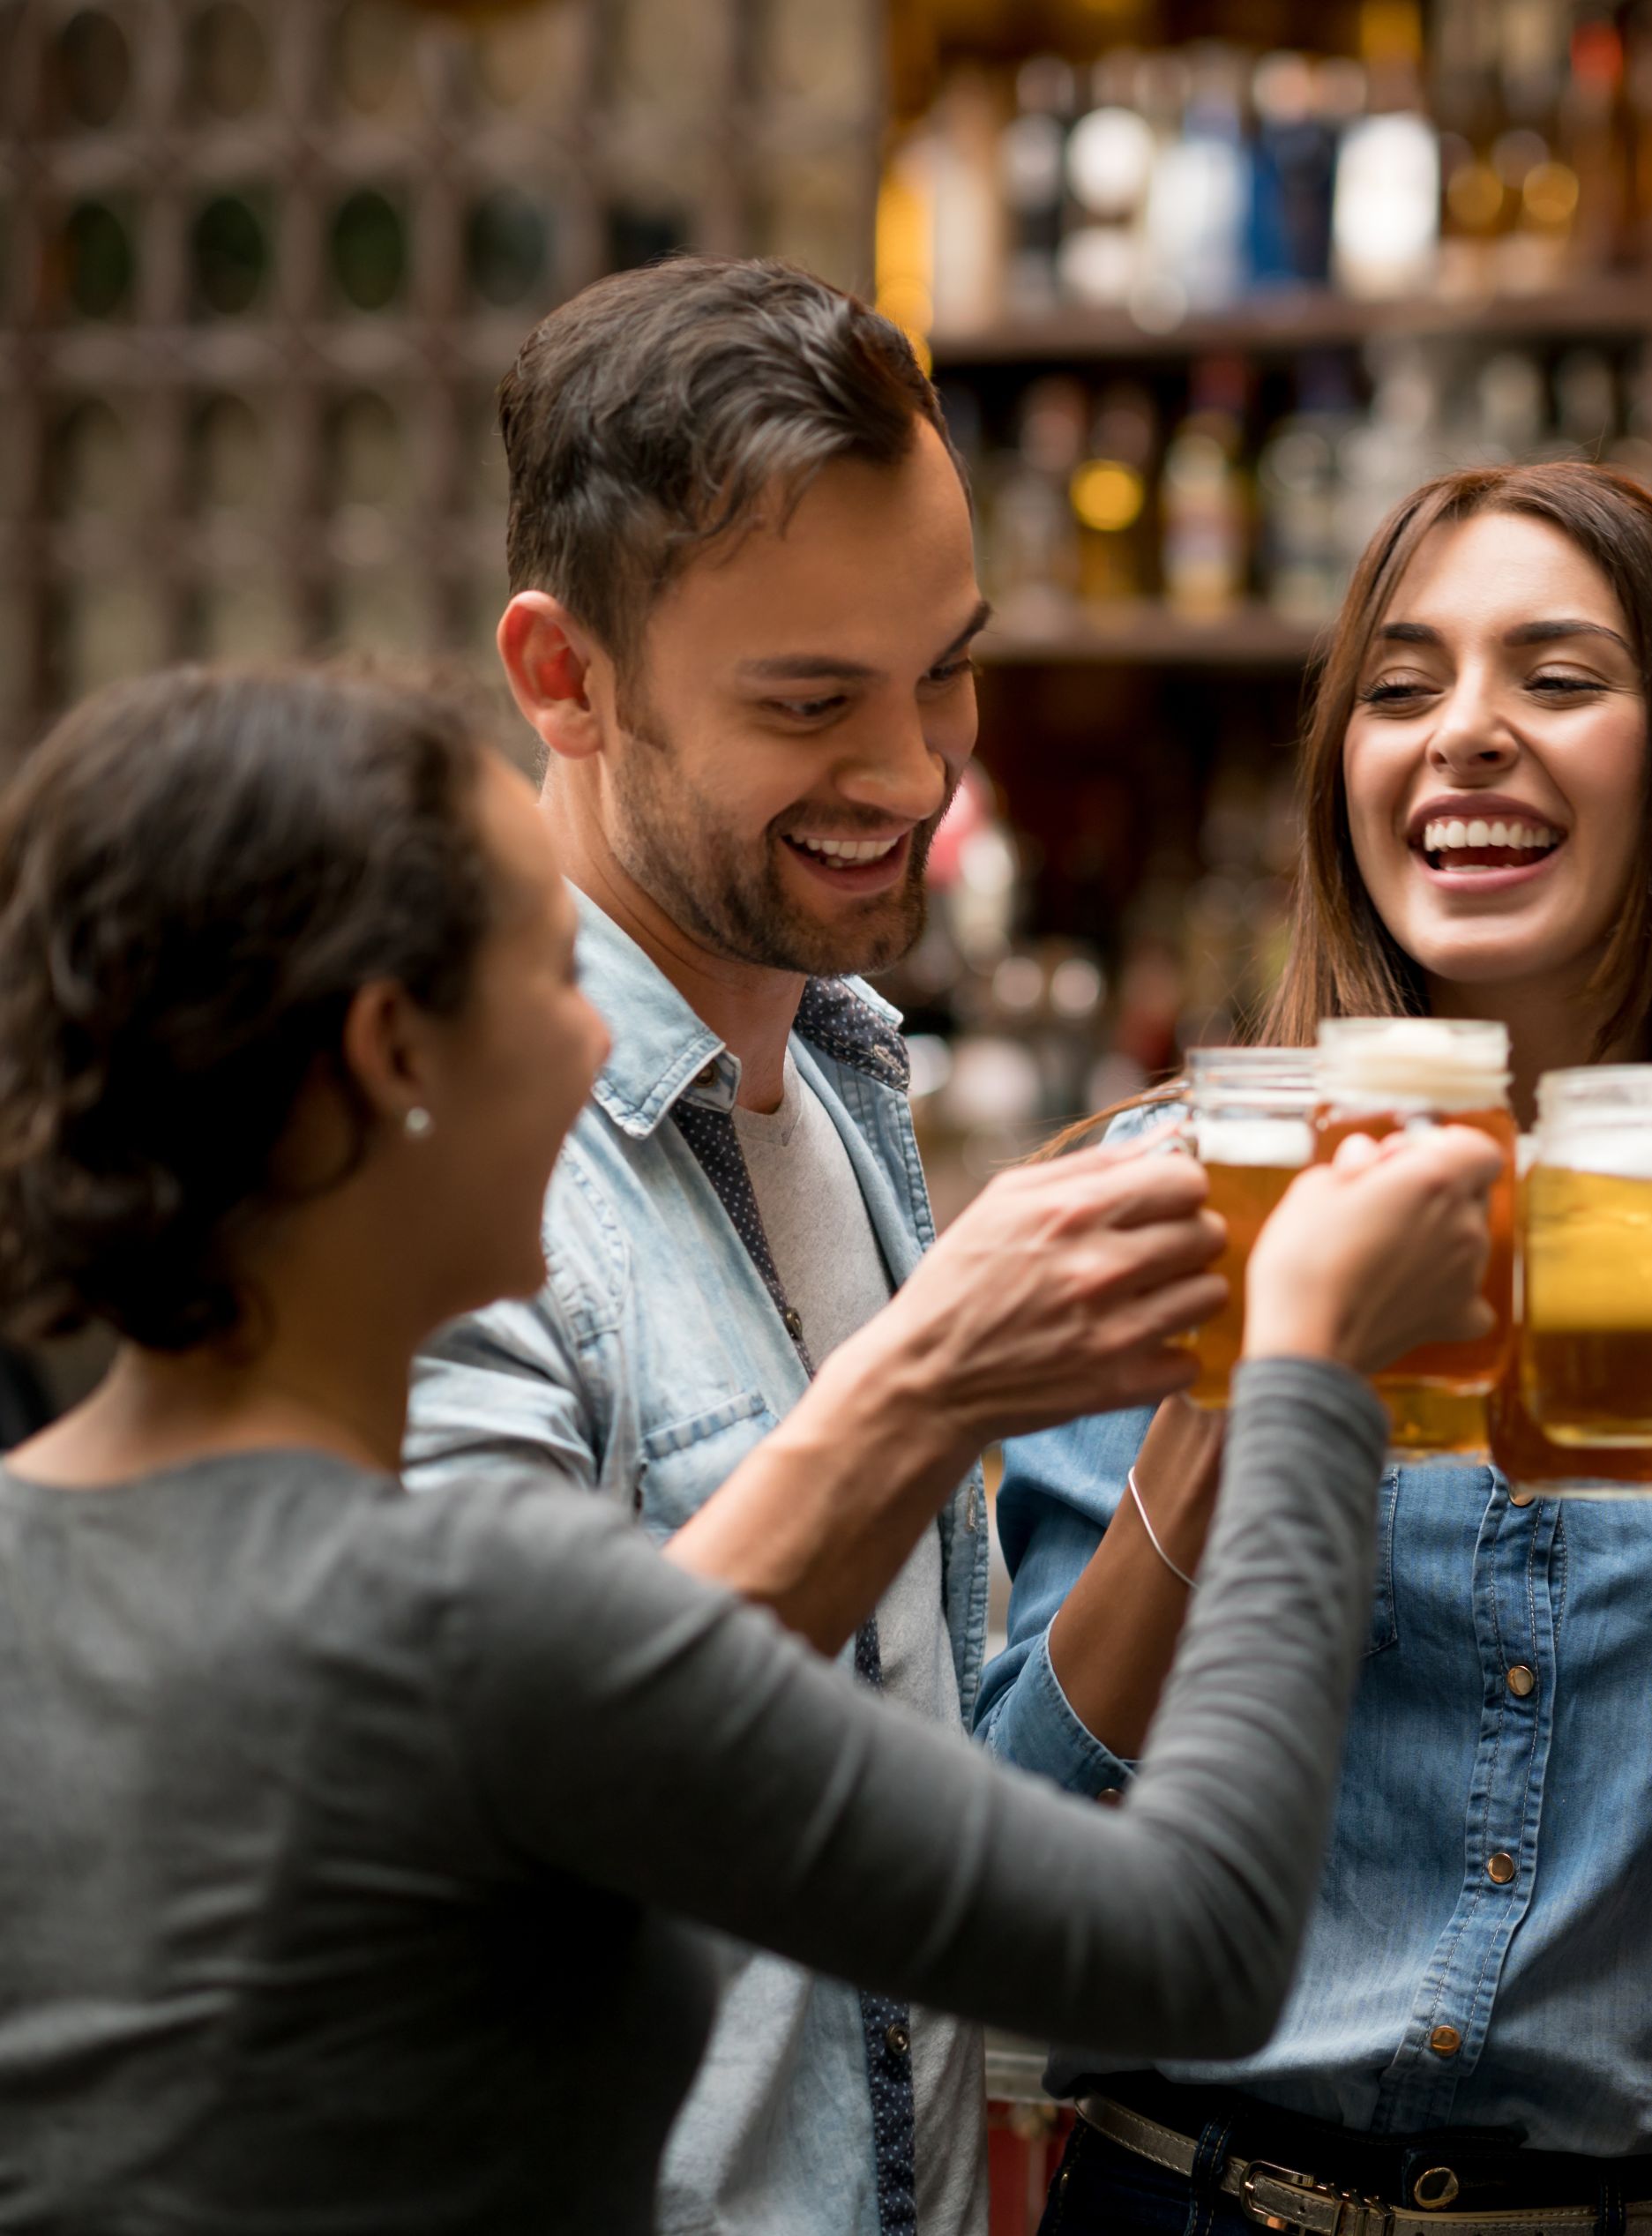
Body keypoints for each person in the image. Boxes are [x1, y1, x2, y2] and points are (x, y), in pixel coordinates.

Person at [0, 662, 1509, 2232]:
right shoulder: (475, 1607)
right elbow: (1194, 1946)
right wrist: (1315, 1373)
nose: (599, 1048)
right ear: (393, 1055)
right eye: (551, 977)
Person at [983, 461, 1652, 2236]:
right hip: (1189, 2194)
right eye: (1399, 689)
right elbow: (1011, 1846)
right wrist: (1239, 1400)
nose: (1460, 734)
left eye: (1554, 678)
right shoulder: (1170, 1182)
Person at [398, 256, 1214, 2236]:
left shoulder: (838, 1084)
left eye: (944, 668)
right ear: (561, 676)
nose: (917, 777)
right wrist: (936, 1374)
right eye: (809, 703)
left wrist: (1226, 1428)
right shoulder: (430, 1156)